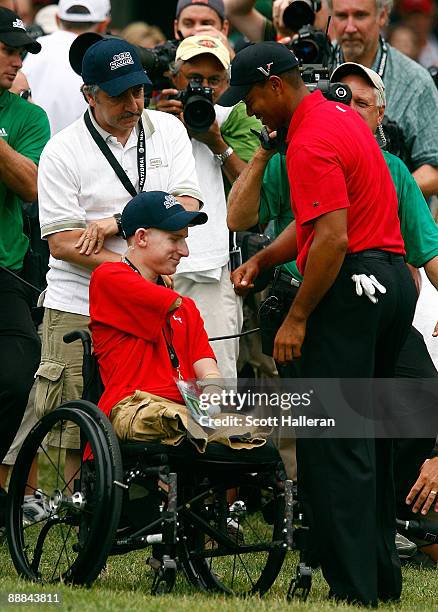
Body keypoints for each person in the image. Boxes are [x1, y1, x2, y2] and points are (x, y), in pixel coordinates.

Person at [220, 41, 417, 605]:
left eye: (252, 97)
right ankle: (380, 578)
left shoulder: (309, 140)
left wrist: (297, 317)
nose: (249, 110)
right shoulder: (338, 113)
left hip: (350, 285)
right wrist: (265, 257)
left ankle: (354, 588)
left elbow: (332, 237)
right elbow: (318, 221)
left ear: (276, 84)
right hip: (389, 283)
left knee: (337, 442)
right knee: (369, 439)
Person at [35, 36, 202, 476]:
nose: (133, 102)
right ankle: (72, 508)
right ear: (88, 95)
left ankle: (147, 513)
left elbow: (189, 203)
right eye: (118, 94)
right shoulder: (62, 149)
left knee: (152, 409)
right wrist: (136, 271)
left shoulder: (167, 129)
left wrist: (117, 223)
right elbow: (63, 242)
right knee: (76, 417)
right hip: (79, 302)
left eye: (138, 90)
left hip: (150, 302)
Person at [156, 34, 261, 379]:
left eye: (214, 80)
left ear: (228, 83)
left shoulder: (238, 115)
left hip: (210, 268)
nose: (204, 89)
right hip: (155, 269)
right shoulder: (152, 117)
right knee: (162, 379)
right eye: (194, 80)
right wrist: (164, 123)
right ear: (175, 79)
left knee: (216, 378)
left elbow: (253, 185)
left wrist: (214, 139)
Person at [88, 190, 221, 445]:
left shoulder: (186, 308)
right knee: (182, 423)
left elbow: (208, 370)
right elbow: (167, 300)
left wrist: (214, 397)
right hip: (135, 404)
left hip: (186, 404)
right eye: (175, 239)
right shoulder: (108, 276)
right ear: (141, 237)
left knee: (267, 421)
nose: (185, 251)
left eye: (185, 240)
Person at [0, 7, 50, 525]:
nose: (16, 62)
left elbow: (32, 186)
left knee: (17, 375)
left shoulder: (27, 117)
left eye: (21, 54)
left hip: (5, 267)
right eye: (8, 50)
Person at [329, 0, 438, 197]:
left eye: (360, 15)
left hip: (389, 220)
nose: (350, 27)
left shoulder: (415, 82)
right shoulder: (312, 60)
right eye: (341, 16)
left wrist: (379, 194)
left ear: (383, 16)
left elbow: (434, 170)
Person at [21, 0, 111, 135]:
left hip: (28, 150)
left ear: (57, 19)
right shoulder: (102, 56)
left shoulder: (31, 49)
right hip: (79, 151)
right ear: (104, 24)